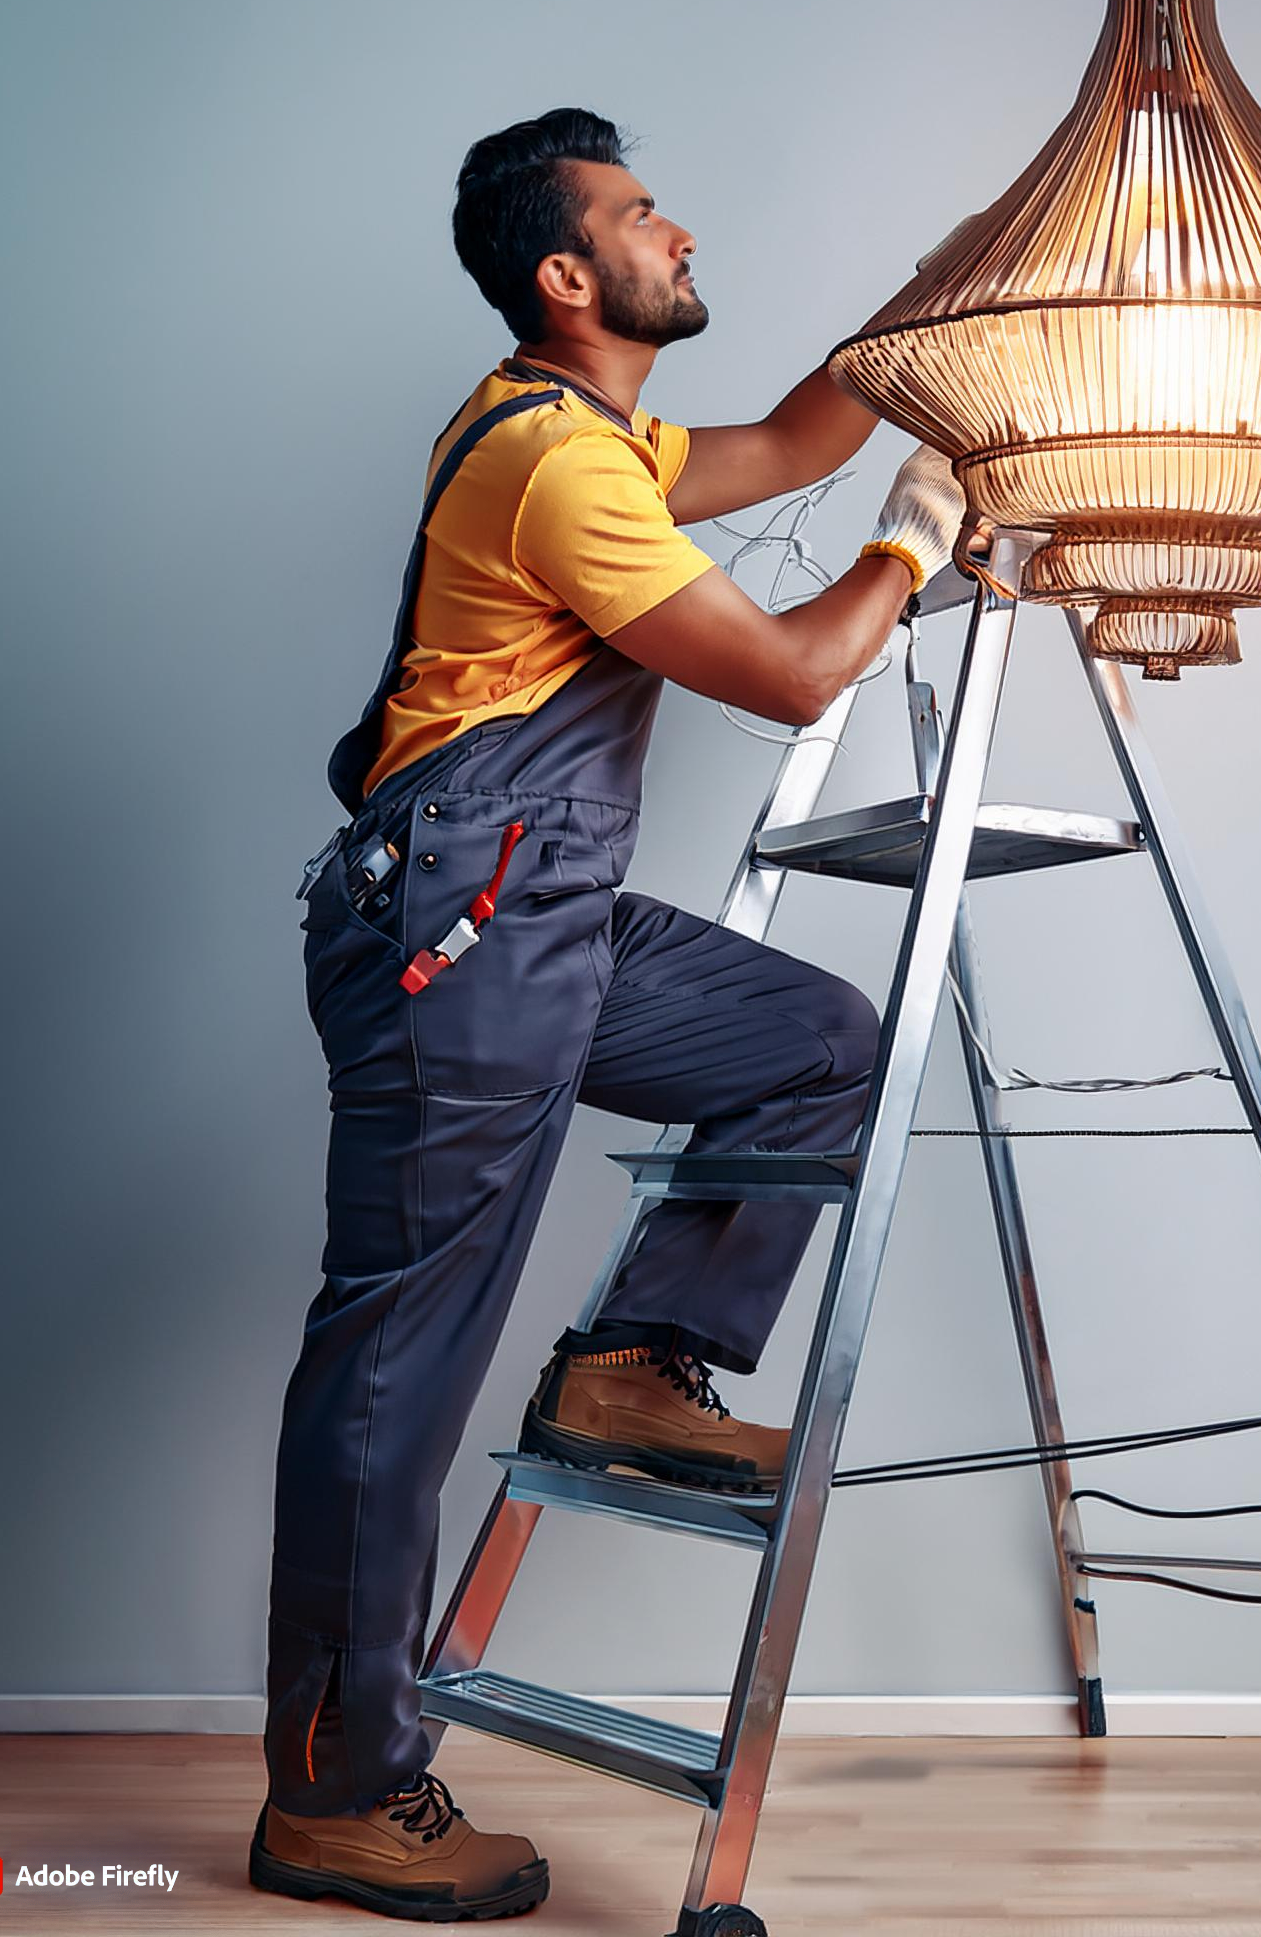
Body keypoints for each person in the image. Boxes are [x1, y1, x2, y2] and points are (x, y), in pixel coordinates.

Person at [251, 107, 967, 1922]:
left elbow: (805, 430)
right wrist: (905, 552)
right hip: (456, 930)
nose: (688, 238)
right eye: (651, 221)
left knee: (815, 1044)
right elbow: (796, 669)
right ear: (568, 274)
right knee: (397, 1368)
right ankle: (335, 1794)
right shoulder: (556, 471)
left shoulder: (604, 440)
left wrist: (939, 299)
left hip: (543, 915)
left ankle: (636, 1367)